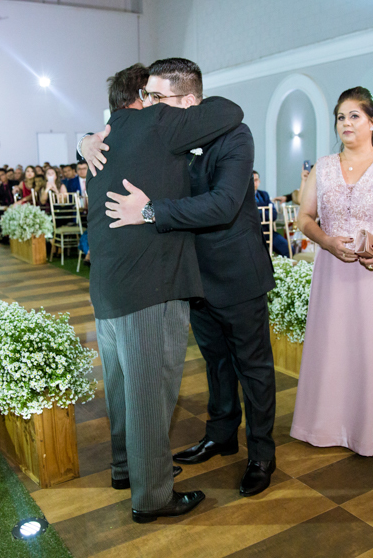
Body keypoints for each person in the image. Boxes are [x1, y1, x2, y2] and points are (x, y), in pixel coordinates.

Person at [83, 57, 278, 497]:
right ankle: (221, 434)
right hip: (189, 276)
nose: (148, 104)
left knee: (255, 368)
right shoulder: (161, 133)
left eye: (156, 97)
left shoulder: (233, 136)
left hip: (235, 271)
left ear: (188, 102)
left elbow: (224, 204)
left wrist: (151, 211)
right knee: (215, 362)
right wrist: (85, 141)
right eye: (146, 96)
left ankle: (262, 454)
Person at [291, 86, 373, 457]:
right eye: (340, 117)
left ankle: (372, 428)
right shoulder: (324, 167)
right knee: (334, 346)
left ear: (372, 121)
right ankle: (327, 425)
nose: (345, 123)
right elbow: (304, 217)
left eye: (354, 116)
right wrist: (327, 241)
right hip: (334, 271)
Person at [253, 171, 290, 257]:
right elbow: (250, 215)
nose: (253, 183)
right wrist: (266, 213)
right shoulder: (244, 197)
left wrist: (259, 212)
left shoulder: (264, 195)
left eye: (255, 180)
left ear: (259, 181)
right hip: (253, 233)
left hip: (268, 232)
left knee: (288, 249)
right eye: (251, 180)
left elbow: (273, 215)